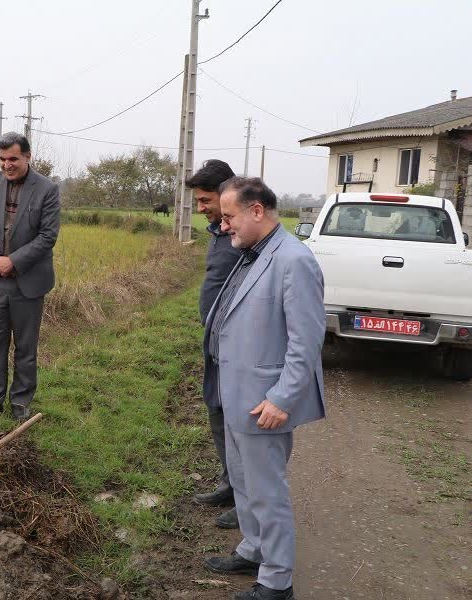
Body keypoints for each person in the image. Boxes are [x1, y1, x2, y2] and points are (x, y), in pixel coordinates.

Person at [202, 177, 325, 600]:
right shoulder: (251, 253)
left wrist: (281, 398)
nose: (224, 226)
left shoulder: (294, 260)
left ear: (257, 211)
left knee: (267, 492)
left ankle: (277, 583)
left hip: (263, 401)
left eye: (230, 216)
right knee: (243, 483)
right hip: (234, 391)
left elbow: (306, 341)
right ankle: (253, 548)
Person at [0, 132, 60, 421]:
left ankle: (21, 403)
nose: (7, 165)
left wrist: (14, 261)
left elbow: (48, 236)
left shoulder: (47, 189)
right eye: (2, 159)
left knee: (25, 345)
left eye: (13, 159)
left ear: (27, 157)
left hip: (28, 281)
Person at [186, 159, 242, 530]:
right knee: (218, 412)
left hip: (237, 346)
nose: (200, 208)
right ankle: (229, 484)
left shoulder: (244, 235)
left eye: (205, 200)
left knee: (239, 424)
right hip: (215, 342)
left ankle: (246, 499)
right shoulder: (220, 232)